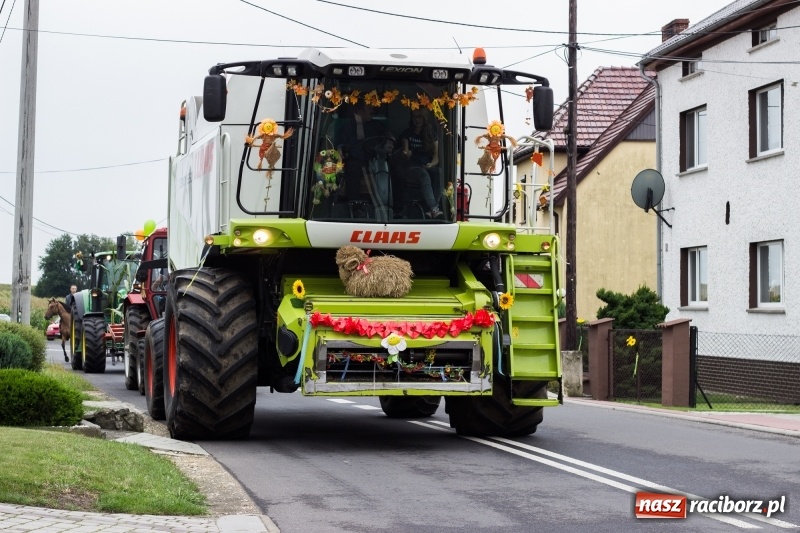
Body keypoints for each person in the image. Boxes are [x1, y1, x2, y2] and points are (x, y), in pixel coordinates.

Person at [336, 100, 395, 213]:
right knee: (353, 167)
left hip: (376, 159)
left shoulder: (377, 125)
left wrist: (390, 142)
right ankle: (355, 205)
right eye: (369, 108)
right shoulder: (347, 127)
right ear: (359, 110)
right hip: (355, 160)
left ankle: (393, 208)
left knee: (393, 167)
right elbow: (340, 145)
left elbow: (389, 136)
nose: (372, 110)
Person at [399, 109, 442, 219]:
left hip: (427, 165)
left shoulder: (432, 134)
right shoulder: (407, 133)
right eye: (414, 117)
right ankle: (434, 208)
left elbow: (436, 158)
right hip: (412, 167)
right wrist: (406, 154)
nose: (417, 120)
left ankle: (430, 210)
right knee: (423, 174)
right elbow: (405, 153)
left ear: (425, 118)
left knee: (438, 172)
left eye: (419, 117)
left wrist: (431, 165)